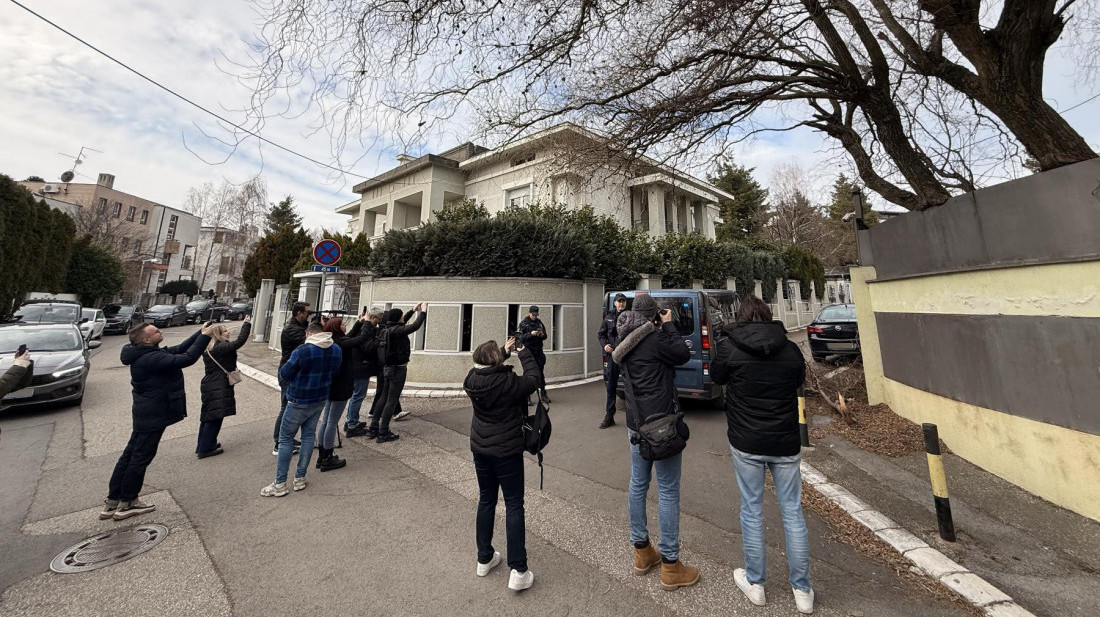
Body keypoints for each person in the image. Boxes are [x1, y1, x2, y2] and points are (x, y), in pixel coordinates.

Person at [710, 295, 813, 614]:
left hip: (746, 441)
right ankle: (803, 591)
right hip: (784, 441)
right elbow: (799, 380)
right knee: (792, 511)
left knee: (752, 508)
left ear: (740, 318)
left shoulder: (730, 347)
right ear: (769, 317)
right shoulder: (790, 349)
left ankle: (756, 585)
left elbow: (716, 376)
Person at [611, 293, 698, 591]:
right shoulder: (656, 339)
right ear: (652, 317)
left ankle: (643, 552)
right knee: (668, 489)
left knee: (637, 483)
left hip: (636, 425)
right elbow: (683, 354)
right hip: (662, 425)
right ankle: (671, 565)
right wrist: (669, 324)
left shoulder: (625, 340)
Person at [102, 322, 212, 520]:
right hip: (153, 413)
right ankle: (128, 502)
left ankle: (114, 500)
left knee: (130, 454)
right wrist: (204, 338)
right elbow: (187, 358)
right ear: (145, 339)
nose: (160, 332)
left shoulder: (144, 352)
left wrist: (200, 332)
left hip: (145, 413)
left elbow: (178, 349)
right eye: (155, 331)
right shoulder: (150, 358)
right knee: (140, 457)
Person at [464, 336, 541, 591]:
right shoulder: (507, 382)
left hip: (480, 447)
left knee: (486, 499)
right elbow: (533, 379)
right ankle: (518, 569)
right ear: (496, 360)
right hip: (506, 450)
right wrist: (524, 353)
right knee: (514, 504)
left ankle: (483, 558)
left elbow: (489, 368)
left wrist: (503, 353)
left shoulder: (471, 380)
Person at [263, 321, 342, 497]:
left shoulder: (302, 351)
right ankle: (299, 478)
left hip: (298, 399)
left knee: (285, 439)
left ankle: (280, 483)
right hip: (320, 398)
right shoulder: (336, 349)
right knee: (308, 437)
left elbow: (285, 373)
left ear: (308, 334)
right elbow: (335, 371)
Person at [315, 315, 373, 471]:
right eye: (342, 325)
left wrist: (360, 322)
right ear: (336, 327)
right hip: (340, 386)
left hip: (330, 385)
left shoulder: (333, 340)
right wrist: (367, 322)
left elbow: (350, 336)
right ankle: (327, 457)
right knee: (332, 422)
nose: (345, 326)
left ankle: (322, 455)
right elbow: (361, 338)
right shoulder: (341, 343)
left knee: (326, 420)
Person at [366, 303, 427, 443]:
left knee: (383, 397)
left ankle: (373, 427)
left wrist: (412, 310)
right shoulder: (397, 331)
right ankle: (383, 431)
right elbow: (415, 326)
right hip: (397, 368)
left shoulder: (386, 329)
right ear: (398, 319)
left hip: (386, 367)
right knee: (391, 400)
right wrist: (423, 312)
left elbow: (403, 321)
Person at [197, 316, 252, 458]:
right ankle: (206, 448)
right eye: (225, 331)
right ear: (217, 335)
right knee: (215, 417)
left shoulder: (209, 348)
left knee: (209, 416)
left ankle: (204, 444)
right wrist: (246, 324)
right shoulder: (220, 347)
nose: (228, 333)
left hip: (210, 383)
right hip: (218, 384)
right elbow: (239, 342)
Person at [274, 302, 311, 456]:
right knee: (286, 407)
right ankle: (279, 443)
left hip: (294, 371)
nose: (309, 315)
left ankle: (285, 439)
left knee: (289, 407)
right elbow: (308, 340)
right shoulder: (292, 329)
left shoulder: (297, 326)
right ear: (299, 313)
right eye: (307, 312)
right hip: (288, 372)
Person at [345, 307, 385, 436]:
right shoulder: (365, 330)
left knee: (357, 395)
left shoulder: (367, 328)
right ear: (372, 318)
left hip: (360, 366)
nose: (380, 321)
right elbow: (367, 348)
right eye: (379, 318)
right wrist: (378, 342)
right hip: (361, 367)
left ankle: (351, 421)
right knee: (358, 395)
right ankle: (352, 423)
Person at [597, 293, 628, 429]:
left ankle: (637, 417)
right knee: (611, 387)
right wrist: (605, 345)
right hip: (612, 356)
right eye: (619, 301)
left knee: (631, 386)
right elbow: (601, 334)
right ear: (614, 303)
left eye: (623, 301)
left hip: (626, 356)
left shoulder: (630, 316)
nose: (621, 303)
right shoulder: (609, 317)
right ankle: (609, 416)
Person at [518, 305, 549, 405]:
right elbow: (519, 338)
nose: (535, 317)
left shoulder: (539, 323)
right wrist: (531, 334)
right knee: (528, 374)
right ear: (529, 313)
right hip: (529, 353)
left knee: (540, 373)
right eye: (533, 315)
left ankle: (543, 394)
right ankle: (526, 397)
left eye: (536, 315)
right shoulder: (524, 324)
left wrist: (541, 334)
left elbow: (545, 336)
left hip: (538, 352)